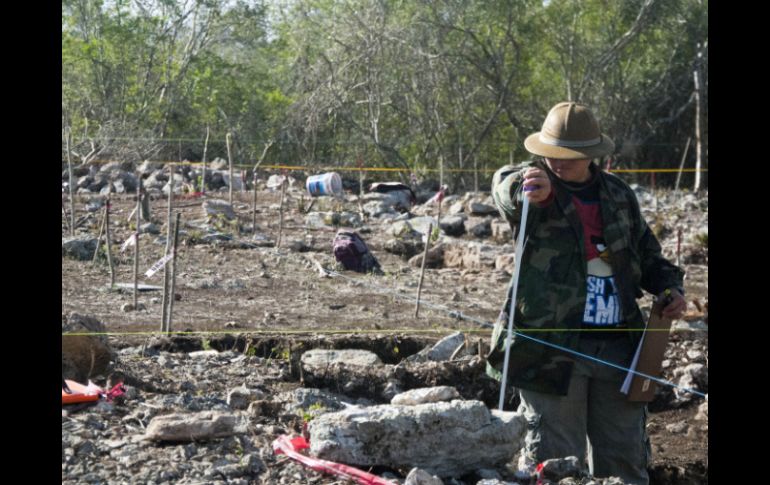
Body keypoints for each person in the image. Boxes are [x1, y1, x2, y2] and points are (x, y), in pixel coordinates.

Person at [486, 102, 686, 485]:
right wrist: (531, 193)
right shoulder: (531, 184)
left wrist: (669, 288)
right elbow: (506, 188)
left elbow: (648, 255)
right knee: (556, 460)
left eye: (569, 157)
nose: (558, 164)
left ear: (593, 156)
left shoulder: (618, 194)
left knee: (625, 458)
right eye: (551, 155)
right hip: (549, 350)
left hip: (619, 350)